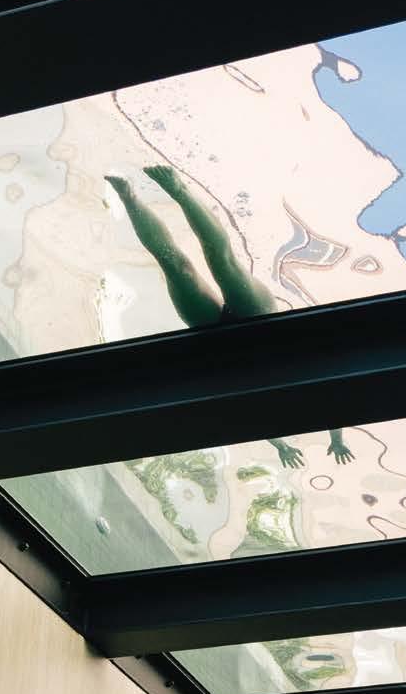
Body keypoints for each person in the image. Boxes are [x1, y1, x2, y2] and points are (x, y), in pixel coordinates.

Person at [105, 165, 352, 468]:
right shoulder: (301, 392)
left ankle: (128, 196)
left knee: (175, 267)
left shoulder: (263, 407)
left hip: (216, 340)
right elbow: (329, 405)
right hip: (259, 322)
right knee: (222, 260)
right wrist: (336, 439)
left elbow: (262, 423)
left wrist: (282, 447)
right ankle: (178, 190)